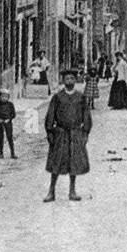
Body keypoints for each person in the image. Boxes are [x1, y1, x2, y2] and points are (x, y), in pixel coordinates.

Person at [44, 68, 91, 202]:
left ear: (75, 80)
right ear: (63, 81)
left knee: (73, 163)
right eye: (66, 79)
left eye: (71, 78)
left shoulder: (81, 97)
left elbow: (86, 115)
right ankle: (51, 192)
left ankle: (72, 191)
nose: (69, 81)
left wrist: (85, 132)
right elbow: (50, 116)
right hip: (60, 133)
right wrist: (50, 132)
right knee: (56, 162)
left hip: (75, 133)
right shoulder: (57, 97)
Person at [0, 88, 17, 159]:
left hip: (8, 123)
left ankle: (12, 153)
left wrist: (9, 119)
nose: (4, 98)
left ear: (8, 97)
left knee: (9, 137)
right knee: (1, 138)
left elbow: (14, 114)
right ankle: (1, 154)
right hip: (0, 123)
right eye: (2, 96)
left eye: (6, 96)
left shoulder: (10, 105)